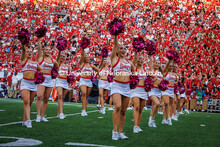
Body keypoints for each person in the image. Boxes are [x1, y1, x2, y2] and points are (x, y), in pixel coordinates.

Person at [111, 35, 134, 140]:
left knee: (124, 111)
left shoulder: (129, 62)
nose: (123, 49)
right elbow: (115, 44)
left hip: (126, 87)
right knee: (118, 106)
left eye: (125, 48)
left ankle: (121, 132)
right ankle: (114, 131)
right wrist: (116, 35)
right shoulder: (114, 58)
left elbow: (134, 73)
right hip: (116, 85)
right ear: (117, 50)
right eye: (121, 48)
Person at [36, 37, 59, 122]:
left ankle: (42, 116)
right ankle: (38, 115)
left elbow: (57, 67)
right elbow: (39, 49)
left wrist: (55, 73)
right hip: (41, 79)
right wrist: (39, 40)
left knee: (46, 99)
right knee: (39, 96)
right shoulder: (40, 58)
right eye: (46, 49)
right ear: (43, 50)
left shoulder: (52, 60)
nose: (48, 51)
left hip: (49, 80)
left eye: (49, 50)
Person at [20, 43, 42, 128]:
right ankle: (29, 121)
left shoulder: (35, 63)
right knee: (26, 101)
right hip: (25, 83)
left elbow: (40, 71)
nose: (29, 53)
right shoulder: (23, 60)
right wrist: (23, 45)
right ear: (25, 53)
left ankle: (24, 120)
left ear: (33, 53)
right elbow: (22, 51)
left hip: (33, 84)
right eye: (27, 52)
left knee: (29, 103)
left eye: (30, 52)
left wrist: (39, 77)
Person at [79, 38, 99, 116]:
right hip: (83, 80)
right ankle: (83, 110)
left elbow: (98, 70)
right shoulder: (82, 64)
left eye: (88, 58)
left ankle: (84, 110)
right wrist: (83, 48)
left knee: (86, 96)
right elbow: (82, 55)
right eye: (86, 57)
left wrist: (94, 76)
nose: (87, 58)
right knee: (83, 93)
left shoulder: (91, 65)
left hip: (89, 81)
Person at [131, 52, 147, 133]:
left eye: (142, 59)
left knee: (141, 109)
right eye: (139, 58)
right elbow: (133, 62)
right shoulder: (134, 68)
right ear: (136, 60)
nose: (140, 60)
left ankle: (138, 126)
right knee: (136, 107)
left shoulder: (145, 70)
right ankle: (135, 126)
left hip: (143, 91)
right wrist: (136, 53)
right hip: (135, 90)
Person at [55, 51, 71, 119]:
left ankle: (59, 112)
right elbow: (57, 59)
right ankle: (61, 113)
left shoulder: (67, 66)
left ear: (65, 58)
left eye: (63, 56)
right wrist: (59, 52)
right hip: (59, 81)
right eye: (61, 56)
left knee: (62, 98)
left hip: (65, 82)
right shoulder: (57, 64)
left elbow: (69, 74)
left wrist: (70, 78)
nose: (62, 57)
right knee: (60, 96)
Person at [161, 61, 174, 126]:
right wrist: (168, 60)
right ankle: (169, 118)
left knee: (169, 105)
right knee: (166, 103)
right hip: (165, 89)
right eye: (169, 65)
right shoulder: (165, 72)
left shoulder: (174, 74)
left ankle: (164, 119)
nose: (170, 67)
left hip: (172, 90)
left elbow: (176, 81)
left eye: (172, 66)